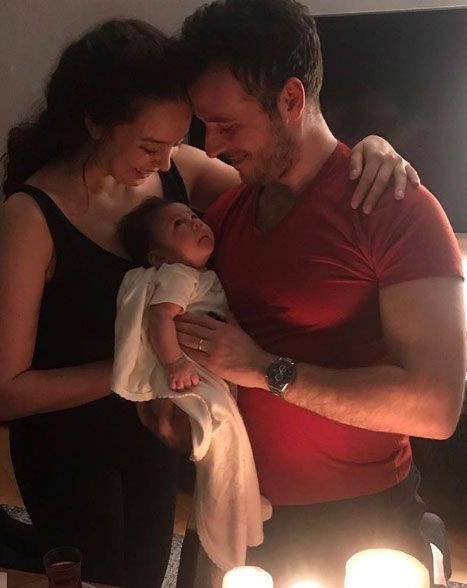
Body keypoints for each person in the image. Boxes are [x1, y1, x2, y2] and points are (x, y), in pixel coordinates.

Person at [0, 14, 422, 588]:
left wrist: (369, 151)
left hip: (156, 433)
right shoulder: (30, 216)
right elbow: (8, 389)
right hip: (69, 445)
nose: (166, 161)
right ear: (94, 121)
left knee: (148, 570)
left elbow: (295, 191)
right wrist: (141, 365)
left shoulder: (176, 174)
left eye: (178, 141)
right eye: (151, 145)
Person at [162, 1, 465, 586]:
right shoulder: (223, 216)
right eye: (205, 127)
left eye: (228, 126)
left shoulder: (396, 210)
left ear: (290, 100)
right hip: (235, 506)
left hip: (361, 523)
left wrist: (264, 369)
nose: (214, 146)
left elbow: (435, 408)